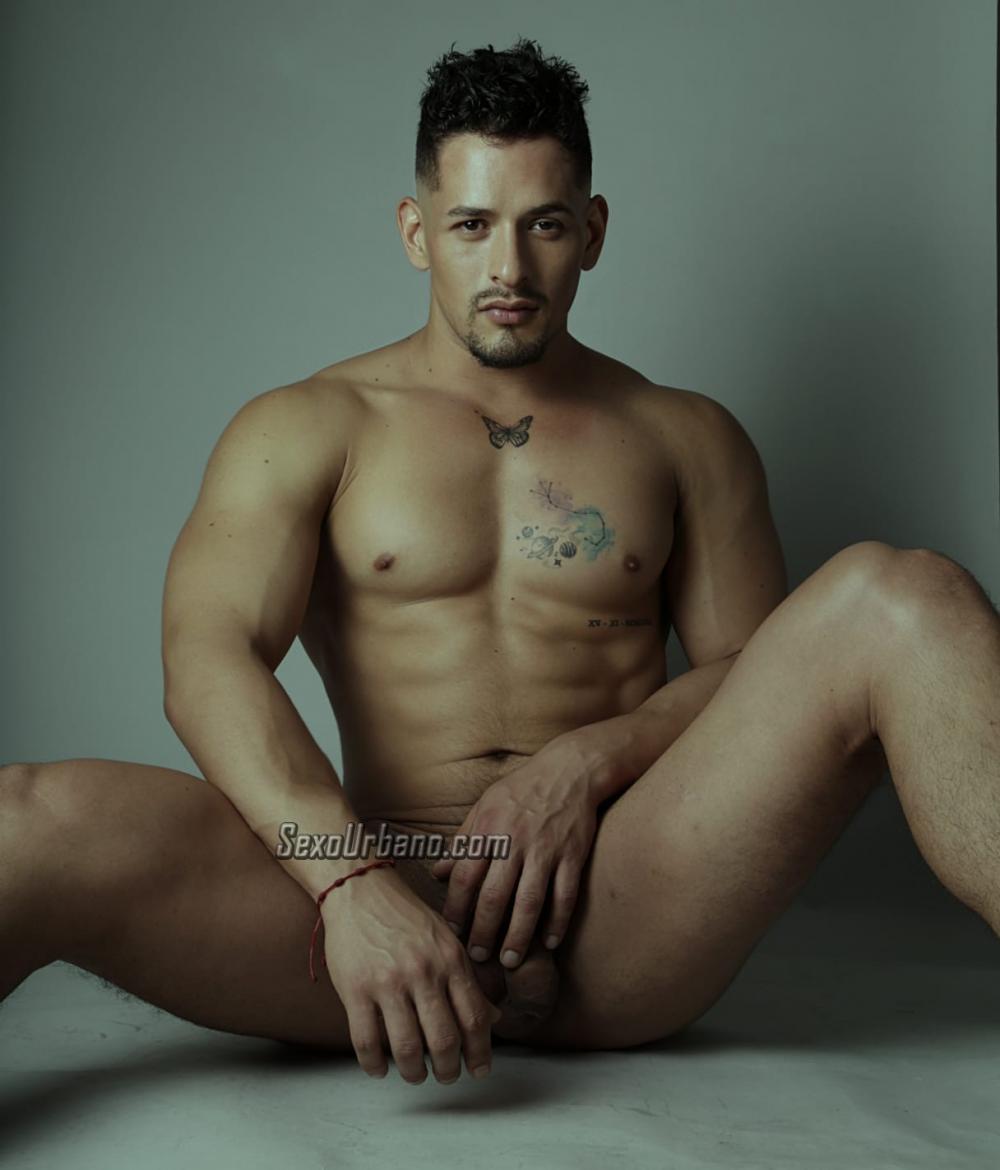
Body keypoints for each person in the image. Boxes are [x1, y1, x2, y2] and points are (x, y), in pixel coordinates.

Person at [3, 37, 1000, 1089]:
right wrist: (350, 889)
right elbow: (208, 660)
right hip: (365, 894)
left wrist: (585, 765)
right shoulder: (306, 426)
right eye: (472, 226)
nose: (509, 270)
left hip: (623, 902)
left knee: (907, 596)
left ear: (593, 231)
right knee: (26, 822)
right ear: (416, 231)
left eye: (545, 225)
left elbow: (748, 675)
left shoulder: (684, 437)